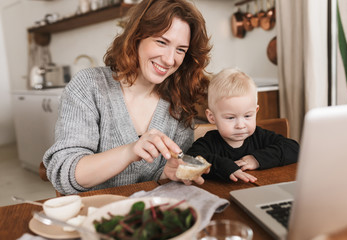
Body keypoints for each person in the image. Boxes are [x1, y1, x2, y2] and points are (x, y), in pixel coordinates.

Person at [43, 0, 211, 195]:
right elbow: (64, 174)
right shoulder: (89, 86)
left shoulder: (179, 100)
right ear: (137, 37)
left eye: (180, 49)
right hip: (95, 216)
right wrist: (129, 151)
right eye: (161, 42)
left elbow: (161, 177)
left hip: (150, 216)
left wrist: (167, 172)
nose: (169, 59)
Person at [186, 68, 299, 183]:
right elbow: (191, 159)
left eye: (247, 116)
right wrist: (226, 166)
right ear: (212, 117)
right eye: (230, 118)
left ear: (256, 111)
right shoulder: (210, 142)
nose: (240, 125)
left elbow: (294, 148)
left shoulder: (259, 136)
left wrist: (256, 159)